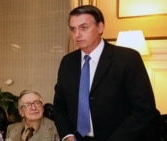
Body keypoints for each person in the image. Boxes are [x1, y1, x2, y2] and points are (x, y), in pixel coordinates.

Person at [53, 5, 161, 141]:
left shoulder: (127, 59)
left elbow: (144, 110)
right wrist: (67, 136)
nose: (77, 34)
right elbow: (59, 106)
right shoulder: (67, 62)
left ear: (100, 28)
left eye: (84, 27)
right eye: (73, 29)